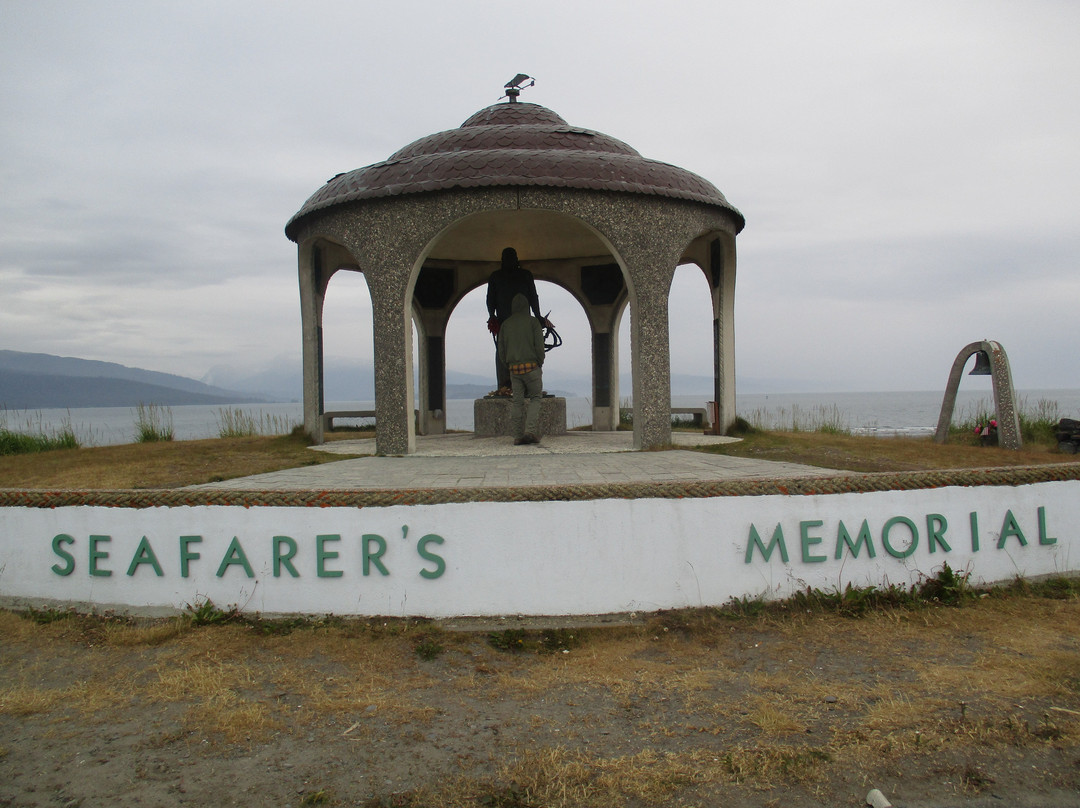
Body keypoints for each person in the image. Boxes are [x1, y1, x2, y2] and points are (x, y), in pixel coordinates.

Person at [487, 247, 547, 392]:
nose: (509, 260)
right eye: (507, 257)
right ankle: (505, 385)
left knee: (518, 350)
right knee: (504, 352)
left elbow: (533, 296)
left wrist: (538, 315)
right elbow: (490, 300)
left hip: (515, 323)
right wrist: (492, 316)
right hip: (505, 321)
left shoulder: (525, 275)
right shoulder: (497, 276)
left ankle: (521, 385)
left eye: (511, 257)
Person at [497, 293, 546, 445]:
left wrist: (508, 365)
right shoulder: (533, 322)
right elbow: (539, 346)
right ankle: (529, 431)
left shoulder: (505, 324)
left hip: (514, 370)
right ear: (527, 306)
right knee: (535, 398)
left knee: (517, 402)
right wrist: (540, 362)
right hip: (532, 368)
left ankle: (518, 436)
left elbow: (501, 350)